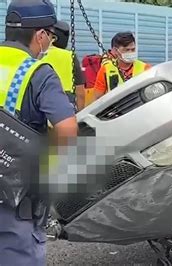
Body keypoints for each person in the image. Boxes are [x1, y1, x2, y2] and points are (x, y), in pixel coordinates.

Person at [0, 0, 78, 265]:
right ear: (41, 35)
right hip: (15, 199)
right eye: (51, 37)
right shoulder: (38, 73)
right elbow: (67, 130)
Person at [42, 20, 86, 111]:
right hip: (66, 103)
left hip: (42, 100)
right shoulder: (70, 56)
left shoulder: (38, 53)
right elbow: (80, 92)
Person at [94, 31, 151, 100]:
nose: (130, 53)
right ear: (115, 50)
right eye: (126, 50)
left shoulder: (145, 68)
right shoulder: (106, 69)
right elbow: (98, 98)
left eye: (133, 49)